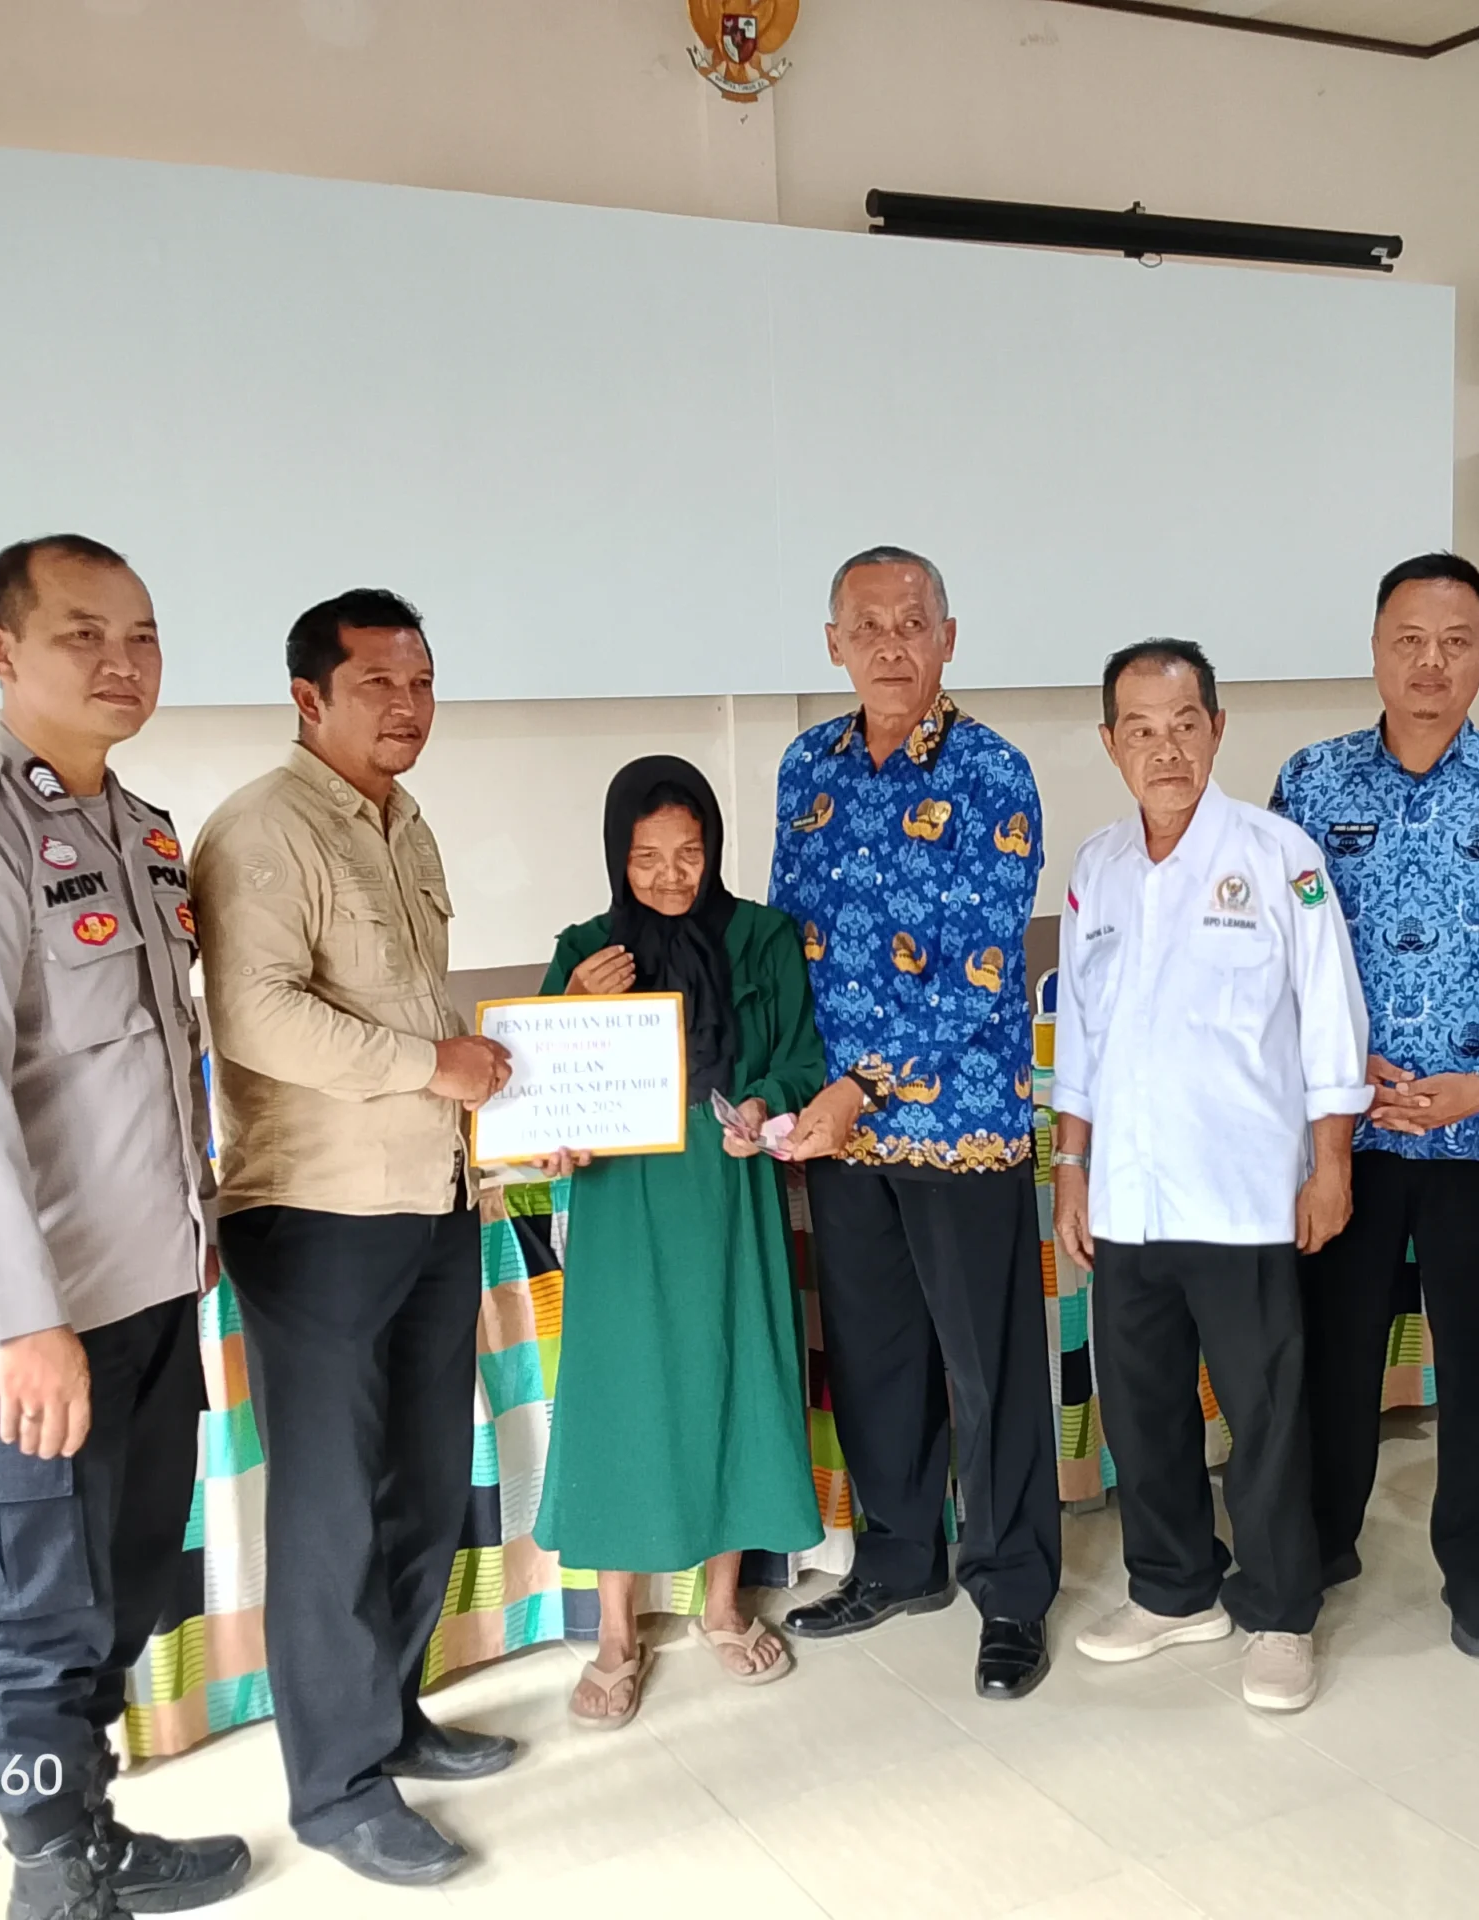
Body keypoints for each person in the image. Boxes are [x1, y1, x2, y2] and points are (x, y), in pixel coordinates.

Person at [0, 535, 250, 1920]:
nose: (120, 661)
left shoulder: (140, 833)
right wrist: (27, 1322)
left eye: (141, 636)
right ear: (0, 650)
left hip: (144, 1298)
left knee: (121, 1598)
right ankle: (50, 1878)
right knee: (33, 1624)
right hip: (20, 1326)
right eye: (82, 633)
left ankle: (90, 1830)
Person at [191, 590, 520, 1887]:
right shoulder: (261, 829)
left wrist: (466, 1077)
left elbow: (412, 1007)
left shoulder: (403, 822)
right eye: (378, 683)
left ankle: (391, 1716)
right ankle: (336, 1789)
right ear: (308, 697)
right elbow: (255, 1016)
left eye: (422, 682)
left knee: (423, 1486)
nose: (407, 705)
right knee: (331, 1512)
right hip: (314, 1219)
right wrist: (431, 1065)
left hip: (428, 1203)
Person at [1269, 552, 1479, 1662]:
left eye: (1456, 643)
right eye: (1409, 640)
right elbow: (1282, 951)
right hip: (1343, 1130)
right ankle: (1320, 1543)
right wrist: (1340, 1065)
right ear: (1374, 649)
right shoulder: (1310, 784)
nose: (1430, 664)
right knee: (1333, 1353)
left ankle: (1477, 1569)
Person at [769, 545, 1061, 1702]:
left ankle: (1012, 1591)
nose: (891, 644)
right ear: (832, 644)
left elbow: (982, 968)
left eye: (912, 623)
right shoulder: (807, 766)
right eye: (868, 625)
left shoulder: (992, 772)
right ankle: (899, 1561)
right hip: (843, 1134)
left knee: (988, 1370)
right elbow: (787, 938)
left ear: (948, 638)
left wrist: (862, 1083)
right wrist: (787, 1084)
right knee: (877, 1355)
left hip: (960, 1126)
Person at [1056, 642, 1370, 1714]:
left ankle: (1280, 1613)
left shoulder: (1279, 856)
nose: (1165, 749)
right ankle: (1173, 1589)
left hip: (1243, 1196)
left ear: (1218, 729)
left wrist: (1331, 1162)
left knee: (1266, 1416)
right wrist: (1070, 1168)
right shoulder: (1097, 868)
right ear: (1110, 744)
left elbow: (1331, 1017)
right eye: (1141, 730)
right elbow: (1080, 1036)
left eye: (1184, 724)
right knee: (1142, 1410)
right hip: (1127, 1197)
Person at [529, 756, 827, 1728]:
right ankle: (617, 1637)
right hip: (622, 1200)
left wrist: (763, 1105)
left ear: (714, 849)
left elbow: (800, 1061)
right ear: (617, 857)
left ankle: (723, 1604)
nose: (669, 876)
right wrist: (574, 1005)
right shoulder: (585, 948)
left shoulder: (762, 937)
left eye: (688, 854)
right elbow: (536, 1094)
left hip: (729, 1187)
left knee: (730, 1376)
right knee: (624, 1395)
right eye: (646, 857)